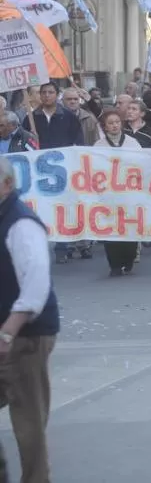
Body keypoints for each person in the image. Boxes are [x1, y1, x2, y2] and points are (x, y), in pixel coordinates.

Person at [0, 156, 59, 483]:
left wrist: (9, 332)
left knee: (28, 421)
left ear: (7, 185)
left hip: (25, 336)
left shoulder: (22, 224)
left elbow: (36, 283)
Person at [94, 109, 143, 276]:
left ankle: (129, 259)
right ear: (105, 127)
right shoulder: (99, 146)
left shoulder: (132, 143)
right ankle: (114, 264)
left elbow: (142, 163)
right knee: (111, 228)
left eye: (117, 122)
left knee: (129, 226)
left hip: (129, 192)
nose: (114, 125)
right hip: (108, 194)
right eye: (110, 123)